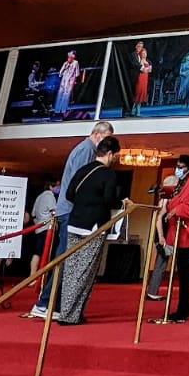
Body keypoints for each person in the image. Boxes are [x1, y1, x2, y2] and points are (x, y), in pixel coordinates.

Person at [24, 120, 115, 318]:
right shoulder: (86, 151)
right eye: (106, 139)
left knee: (67, 259)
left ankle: (55, 305)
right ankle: (46, 303)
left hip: (70, 210)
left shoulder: (84, 149)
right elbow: (81, 185)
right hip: (72, 212)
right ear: (97, 134)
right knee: (66, 259)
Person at [57, 137, 128, 325]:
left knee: (71, 269)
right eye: (116, 155)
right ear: (111, 153)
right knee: (85, 271)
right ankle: (71, 315)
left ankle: (65, 311)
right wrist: (123, 203)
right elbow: (109, 200)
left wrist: (84, 202)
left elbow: (69, 194)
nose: (116, 159)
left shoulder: (83, 169)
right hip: (94, 227)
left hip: (74, 222)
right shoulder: (108, 174)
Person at [158, 155, 189, 322]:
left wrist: (177, 210)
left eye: (181, 166)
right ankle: (182, 307)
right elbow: (179, 196)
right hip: (180, 232)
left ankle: (183, 308)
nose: (177, 169)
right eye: (177, 165)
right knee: (181, 272)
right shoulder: (185, 181)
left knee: (184, 272)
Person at [145, 174, 179, 301]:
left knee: (161, 263)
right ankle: (152, 291)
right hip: (163, 234)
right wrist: (161, 236)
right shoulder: (165, 199)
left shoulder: (166, 198)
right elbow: (159, 218)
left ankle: (152, 290)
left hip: (164, 234)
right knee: (161, 263)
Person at [29, 178, 57, 277]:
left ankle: (33, 274)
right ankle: (40, 275)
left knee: (38, 252)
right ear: (50, 187)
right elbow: (54, 211)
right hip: (46, 228)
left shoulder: (39, 197)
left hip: (38, 228)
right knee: (44, 252)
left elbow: (33, 214)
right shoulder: (50, 196)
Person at [53, 51, 80, 116]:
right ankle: (57, 110)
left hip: (70, 81)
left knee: (66, 95)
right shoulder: (65, 63)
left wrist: (74, 79)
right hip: (64, 80)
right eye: (68, 56)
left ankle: (63, 111)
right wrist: (65, 67)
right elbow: (60, 73)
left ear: (73, 56)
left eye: (71, 56)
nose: (69, 57)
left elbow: (77, 73)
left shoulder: (76, 63)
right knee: (60, 94)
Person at [132, 46, 151, 116]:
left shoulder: (148, 61)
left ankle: (137, 110)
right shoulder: (139, 61)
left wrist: (146, 69)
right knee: (138, 94)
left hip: (145, 79)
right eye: (143, 53)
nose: (144, 54)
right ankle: (134, 109)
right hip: (140, 78)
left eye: (145, 53)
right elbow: (143, 69)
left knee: (142, 95)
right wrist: (145, 68)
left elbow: (149, 70)